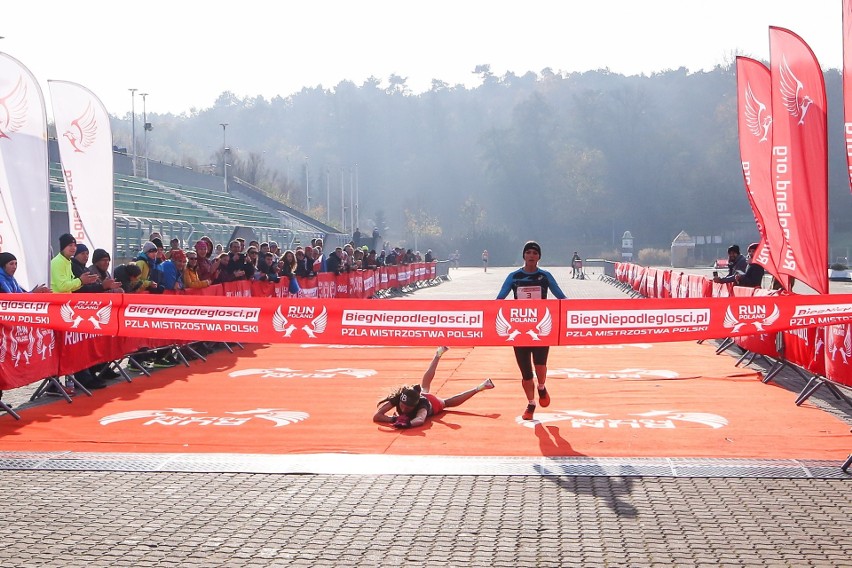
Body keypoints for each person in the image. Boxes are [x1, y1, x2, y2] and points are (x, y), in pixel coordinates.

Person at [496, 240, 567, 421]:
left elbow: (561, 297)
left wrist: (578, 309)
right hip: (519, 329)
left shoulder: (545, 276)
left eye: (535, 253)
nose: (531, 256)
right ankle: (531, 403)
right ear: (524, 256)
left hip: (541, 329)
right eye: (528, 252)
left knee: (540, 366)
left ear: (539, 257)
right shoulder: (513, 276)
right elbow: (499, 300)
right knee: (526, 372)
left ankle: (542, 387)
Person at [373, 346, 494, 428]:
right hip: (420, 394)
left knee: (446, 403)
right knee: (424, 387)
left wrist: (408, 423)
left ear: (415, 405)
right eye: (402, 406)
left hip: (432, 401)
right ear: (400, 400)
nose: (404, 409)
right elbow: (377, 416)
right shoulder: (399, 397)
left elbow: (420, 419)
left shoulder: (422, 403)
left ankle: (480, 387)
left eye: (408, 408)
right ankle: (438, 354)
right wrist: (393, 420)